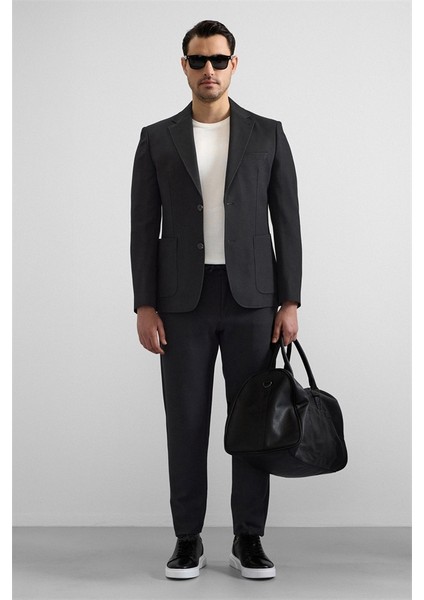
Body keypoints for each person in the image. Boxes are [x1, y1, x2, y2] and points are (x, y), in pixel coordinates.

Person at [130, 20, 302, 580]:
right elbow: (142, 228)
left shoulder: (267, 134)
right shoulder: (157, 138)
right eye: (199, 60)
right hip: (182, 303)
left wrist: (290, 300)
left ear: (234, 64)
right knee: (185, 422)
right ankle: (188, 539)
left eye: (219, 60)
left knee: (251, 424)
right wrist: (144, 304)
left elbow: (287, 222)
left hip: (253, 300)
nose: (209, 70)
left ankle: (249, 537)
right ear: (184, 66)